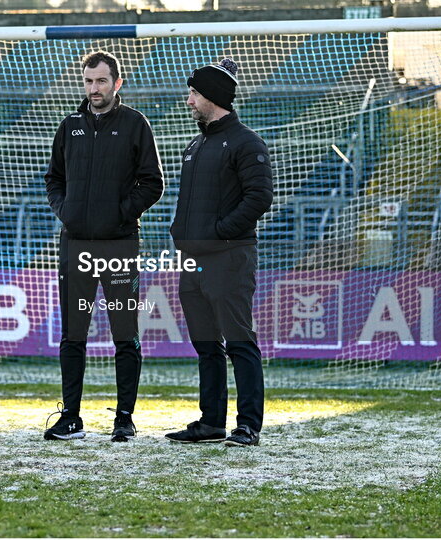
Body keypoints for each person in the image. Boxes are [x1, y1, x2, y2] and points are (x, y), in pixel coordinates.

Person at [43, 51, 164, 442]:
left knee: (124, 334)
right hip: (75, 244)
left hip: (120, 246)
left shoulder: (134, 124)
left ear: (117, 82)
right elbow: (53, 180)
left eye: (101, 81)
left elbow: (153, 182)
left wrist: (119, 215)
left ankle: (124, 419)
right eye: (88, 81)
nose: (94, 88)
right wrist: (68, 214)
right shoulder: (70, 126)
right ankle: (71, 417)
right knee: (72, 335)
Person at [165, 58, 273, 447]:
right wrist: (182, 234)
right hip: (193, 261)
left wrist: (219, 233)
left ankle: (248, 426)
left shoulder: (246, 141)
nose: (188, 99)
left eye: (194, 92)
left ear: (212, 95)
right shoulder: (197, 144)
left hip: (230, 257)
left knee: (239, 342)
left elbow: (260, 197)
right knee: (206, 345)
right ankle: (211, 423)